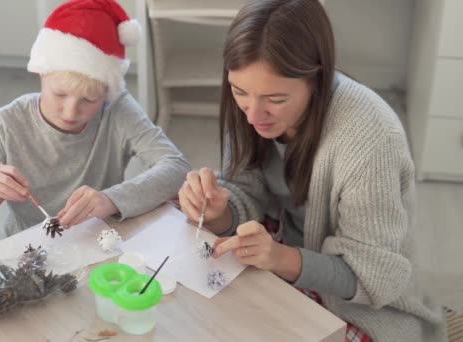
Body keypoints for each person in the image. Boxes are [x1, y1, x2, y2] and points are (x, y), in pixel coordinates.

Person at [177, 0, 446, 341]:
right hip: (284, 245)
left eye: (275, 99)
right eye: (240, 91)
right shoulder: (251, 101)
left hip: (363, 298)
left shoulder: (371, 139)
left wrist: (278, 257)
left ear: (317, 79)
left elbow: (372, 276)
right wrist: (218, 212)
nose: (253, 114)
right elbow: (244, 190)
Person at [0, 0, 190, 244]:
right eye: (60, 94)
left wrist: (109, 200)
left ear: (107, 92)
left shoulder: (117, 109)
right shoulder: (6, 123)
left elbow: (177, 168)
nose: (71, 111)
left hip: (99, 239)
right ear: (42, 73)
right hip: (27, 246)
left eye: (89, 99)